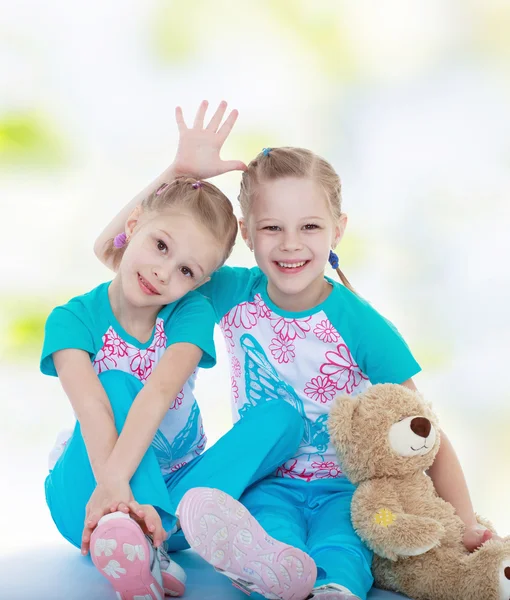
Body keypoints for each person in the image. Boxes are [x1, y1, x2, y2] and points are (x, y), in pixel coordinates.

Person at [95, 101, 497, 600]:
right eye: (271, 228)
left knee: (343, 546)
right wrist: (176, 173)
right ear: (246, 234)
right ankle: (275, 580)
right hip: (266, 482)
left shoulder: (361, 324)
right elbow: (117, 251)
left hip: (346, 491)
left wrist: (464, 522)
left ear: (338, 230)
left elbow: (421, 430)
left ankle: (336, 591)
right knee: (271, 542)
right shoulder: (231, 291)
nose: (290, 245)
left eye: (309, 227)